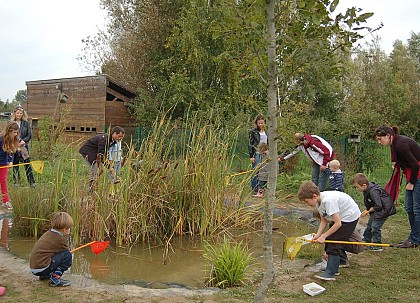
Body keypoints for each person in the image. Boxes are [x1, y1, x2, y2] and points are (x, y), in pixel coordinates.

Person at [297, 180, 361, 281]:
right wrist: (318, 235)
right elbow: (324, 220)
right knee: (334, 238)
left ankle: (331, 272)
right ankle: (342, 261)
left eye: (306, 201)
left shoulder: (328, 201)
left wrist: (324, 236)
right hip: (341, 216)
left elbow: (338, 223)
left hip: (349, 216)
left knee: (333, 241)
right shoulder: (318, 202)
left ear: (314, 196)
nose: (306, 204)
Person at [374, 125, 420, 248]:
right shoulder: (394, 143)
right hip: (412, 175)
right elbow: (407, 160)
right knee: (409, 207)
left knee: (416, 209)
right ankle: (415, 236)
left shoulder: (400, 144)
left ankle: (414, 239)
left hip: (417, 175)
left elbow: (415, 165)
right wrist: (398, 164)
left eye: (380, 139)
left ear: (388, 136)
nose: (379, 142)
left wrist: (412, 183)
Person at [353, 173, 396, 251]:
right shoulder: (366, 190)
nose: (356, 189)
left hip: (384, 210)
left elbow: (378, 205)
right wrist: (367, 210)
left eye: (357, 187)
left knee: (375, 227)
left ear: (363, 185)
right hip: (377, 210)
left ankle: (377, 245)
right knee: (369, 224)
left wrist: (368, 211)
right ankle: (366, 239)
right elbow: (370, 202)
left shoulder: (373, 191)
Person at [29, 211, 73, 287]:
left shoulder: (48, 233)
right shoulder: (60, 239)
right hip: (41, 268)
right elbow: (66, 253)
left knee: (57, 255)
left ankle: (45, 275)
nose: (69, 230)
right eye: (68, 229)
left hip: (35, 268)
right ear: (63, 229)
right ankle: (55, 279)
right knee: (68, 256)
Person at [79, 126, 125, 191]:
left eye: (122, 137)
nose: (120, 139)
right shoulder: (104, 140)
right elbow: (100, 155)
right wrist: (110, 167)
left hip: (96, 153)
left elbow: (105, 154)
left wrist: (108, 165)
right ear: (114, 133)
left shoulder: (113, 141)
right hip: (89, 152)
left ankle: (95, 186)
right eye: (119, 136)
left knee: (100, 171)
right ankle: (91, 191)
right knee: (95, 170)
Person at [10, 105, 36, 187]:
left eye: (21, 113)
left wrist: (23, 141)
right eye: (18, 113)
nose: (19, 114)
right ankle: (16, 183)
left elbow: (29, 134)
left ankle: (32, 182)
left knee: (27, 164)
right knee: (15, 165)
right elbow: (8, 134)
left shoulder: (26, 123)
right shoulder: (10, 123)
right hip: (14, 147)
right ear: (15, 113)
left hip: (24, 147)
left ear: (23, 114)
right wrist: (14, 142)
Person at [0, 122, 20, 210]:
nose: (16, 134)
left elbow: (12, 153)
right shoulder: (1, 139)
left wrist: (10, 161)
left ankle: (5, 201)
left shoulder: (14, 140)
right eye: (14, 132)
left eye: (17, 132)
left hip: (4, 163)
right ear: (9, 131)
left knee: (3, 180)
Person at [248, 115, 267, 193]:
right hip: (257, 153)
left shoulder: (268, 132)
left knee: (264, 171)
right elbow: (250, 144)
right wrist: (251, 156)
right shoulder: (253, 132)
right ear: (256, 123)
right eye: (259, 123)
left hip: (266, 154)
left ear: (265, 123)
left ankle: (261, 187)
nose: (260, 125)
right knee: (256, 170)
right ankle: (254, 187)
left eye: (262, 123)